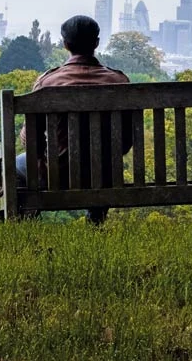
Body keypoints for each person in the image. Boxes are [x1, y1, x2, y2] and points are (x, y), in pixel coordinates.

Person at [16, 14, 131, 223]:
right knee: (103, 161)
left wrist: (37, 153)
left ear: (65, 44)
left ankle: (26, 223)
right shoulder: (119, 81)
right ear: (96, 43)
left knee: (15, 166)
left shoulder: (48, 82)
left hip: (58, 175)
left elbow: (30, 140)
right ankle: (96, 220)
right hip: (106, 176)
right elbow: (125, 143)